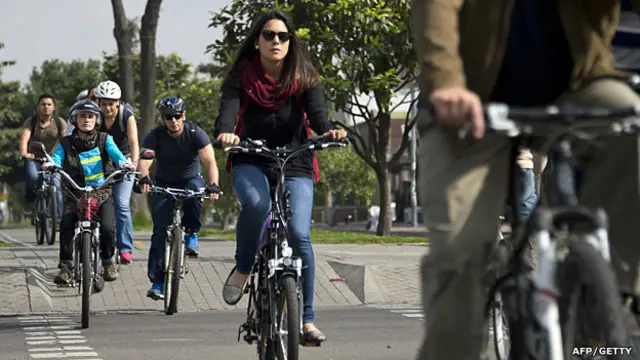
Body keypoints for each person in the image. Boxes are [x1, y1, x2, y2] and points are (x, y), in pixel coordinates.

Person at [410, 1, 640, 359]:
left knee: (631, 126)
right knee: (461, 255)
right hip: (468, 106)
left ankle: (609, 297)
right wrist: (445, 82)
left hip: (574, 87)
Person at [213, 9, 347, 343]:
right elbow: (227, 114)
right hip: (252, 157)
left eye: (283, 36)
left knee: (300, 235)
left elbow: (317, 116)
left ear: (290, 42)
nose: (276, 41)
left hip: (295, 159)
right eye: (269, 35)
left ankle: (306, 321)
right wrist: (226, 133)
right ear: (257, 42)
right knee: (257, 206)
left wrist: (328, 132)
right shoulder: (241, 77)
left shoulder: (304, 75)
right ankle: (244, 267)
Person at [137, 96, 220, 300]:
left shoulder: (195, 133)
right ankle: (158, 281)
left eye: (177, 116)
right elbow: (145, 161)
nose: (173, 120)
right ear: (163, 119)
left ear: (184, 115)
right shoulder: (155, 136)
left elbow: (209, 161)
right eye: (168, 117)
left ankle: (191, 233)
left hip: (190, 179)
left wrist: (213, 185)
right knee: (159, 231)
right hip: (164, 183)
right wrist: (145, 178)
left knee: (195, 194)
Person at [45, 99, 132, 285]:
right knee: (67, 222)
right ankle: (67, 266)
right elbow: (57, 158)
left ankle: (108, 261)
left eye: (91, 116)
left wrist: (125, 164)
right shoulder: (66, 142)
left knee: (108, 228)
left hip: (102, 192)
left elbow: (117, 154)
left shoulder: (105, 139)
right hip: (75, 191)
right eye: (82, 116)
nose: (86, 120)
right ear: (74, 119)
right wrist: (51, 164)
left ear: (97, 120)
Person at [95, 80, 139, 264]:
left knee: (121, 204)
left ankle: (126, 248)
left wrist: (134, 163)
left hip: (125, 160)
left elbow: (134, 141)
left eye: (111, 104)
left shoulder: (126, 115)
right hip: (101, 162)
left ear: (118, 102)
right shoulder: (94, 117)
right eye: (103, 104)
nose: (107, 108)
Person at [18, 93, 65, 222]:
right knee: (33, 178)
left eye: (49, 104)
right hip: (34, 158)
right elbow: (24, 139)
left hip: (53, 160)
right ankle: (31, 201)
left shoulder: (60, 123)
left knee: (56, 186)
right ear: (38, 107)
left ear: (54, 107)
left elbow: (67, 140)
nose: (46, 107)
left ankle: (58, 218)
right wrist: (24, 153)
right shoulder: (31, 122)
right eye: (43, 104)